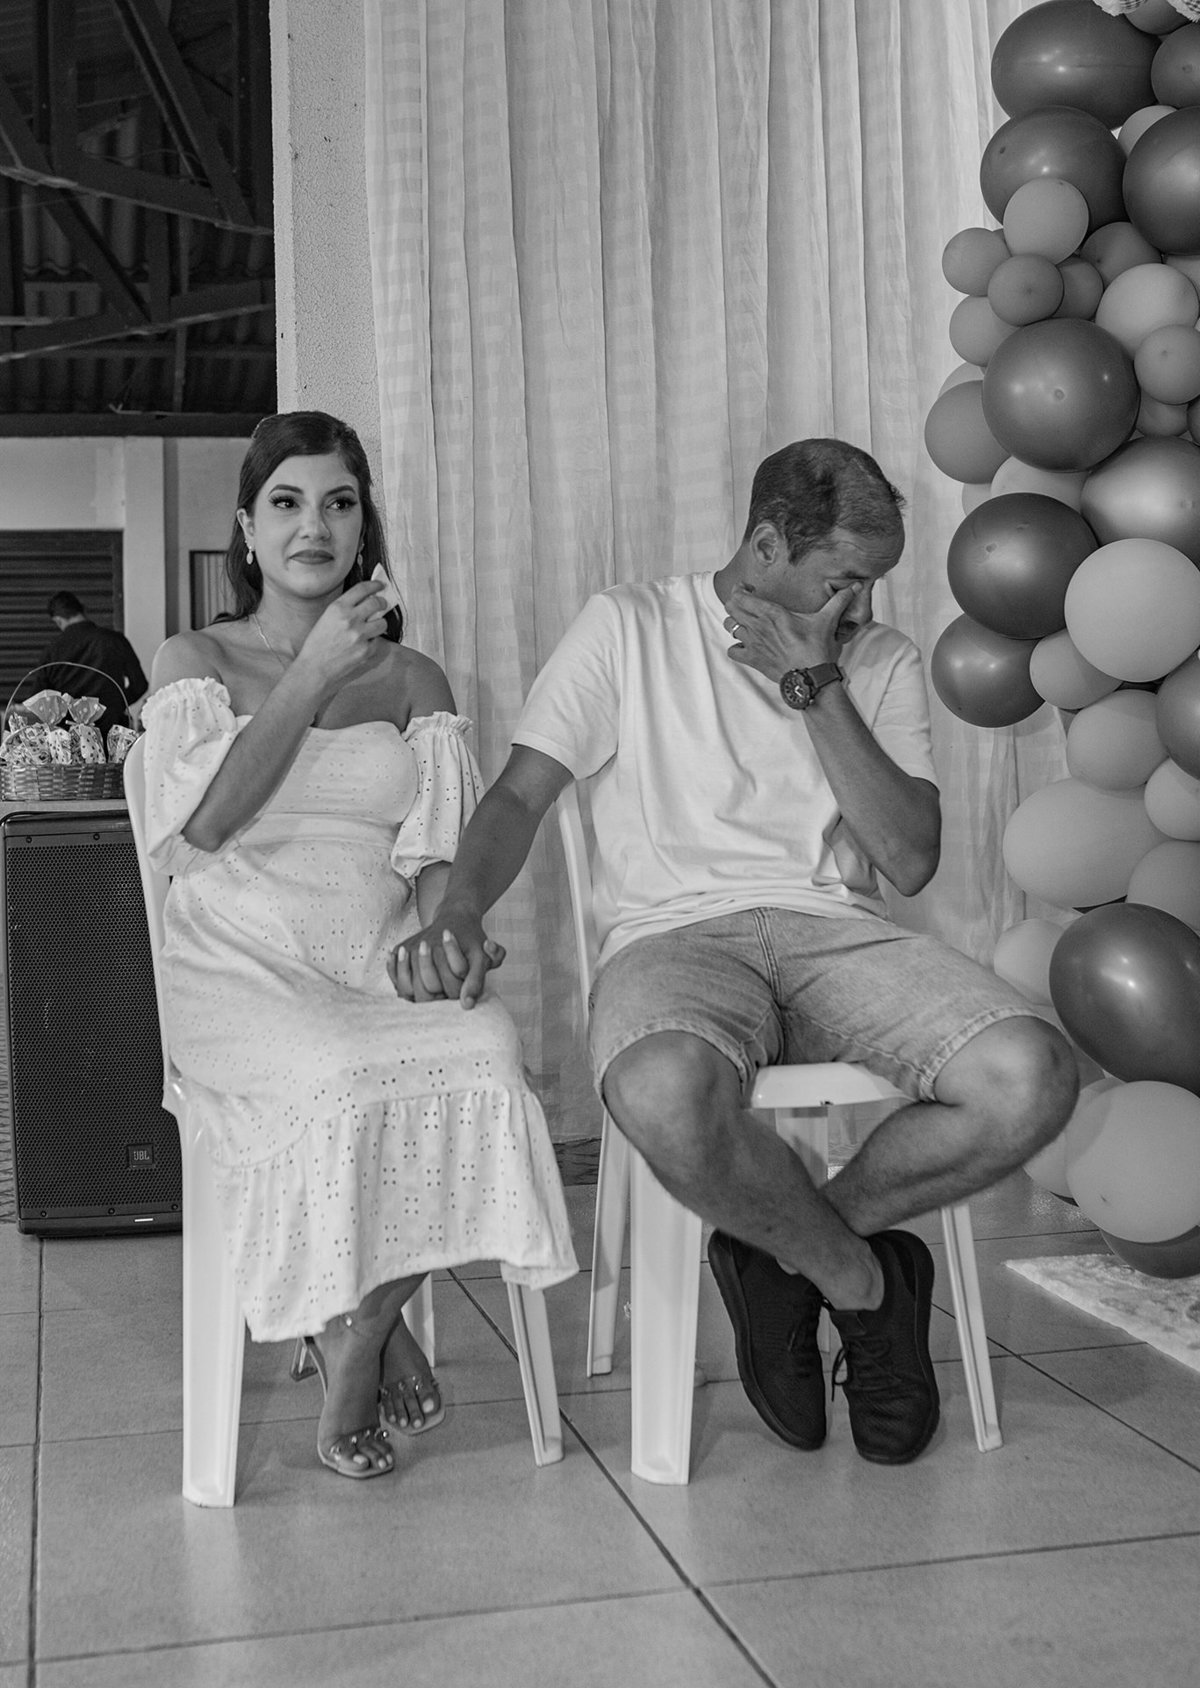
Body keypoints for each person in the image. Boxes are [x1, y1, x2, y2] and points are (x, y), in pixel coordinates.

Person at [391, 438, 1078, 1468]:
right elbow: (522, 793)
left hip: (839, 936)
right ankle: (863, 1284)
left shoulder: (876, 661)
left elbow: (908, 858)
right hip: (674, 939)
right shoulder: (629, 626)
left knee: (1032, 1077)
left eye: (872, 582)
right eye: (841, 578)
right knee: (661, 1095)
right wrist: (457, 908)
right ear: (765, 546)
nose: (861, 603)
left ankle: (776, 1261)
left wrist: (817, 683)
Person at [142, 410, 577, 1481]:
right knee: (341, 1067)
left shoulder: (414, 678)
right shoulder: (195, 659)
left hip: (371, 950)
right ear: (247, 528)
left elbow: (435, 858)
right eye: (287, 502)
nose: (315, 526)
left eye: (339, 503)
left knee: (484, 1047)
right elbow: (204, 825)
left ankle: (358, 1324)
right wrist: (311, 673)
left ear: (363, 525)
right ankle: (356, 1329)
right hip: (241, 956)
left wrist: (449, 935)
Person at [38, 590, 148, 736]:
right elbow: (140, 684)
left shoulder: (52, 651)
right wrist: (114, 705)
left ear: (58, 620)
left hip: (70, 736)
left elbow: (41, 698)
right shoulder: (115, 640)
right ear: (83, 610)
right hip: (113, 732)